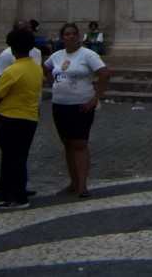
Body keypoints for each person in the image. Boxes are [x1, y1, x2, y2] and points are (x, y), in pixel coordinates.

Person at [43, 22, 109, 198]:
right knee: (67, 144)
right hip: (60, 105)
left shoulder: (88, 54)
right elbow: (46, 67)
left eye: (74, 34)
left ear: (78, 36)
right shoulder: (56, 56)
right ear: (62, 37)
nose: (71, 36)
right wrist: (53, 84)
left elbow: (104, 73)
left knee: (80, 143)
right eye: (67, 34)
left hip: (81, 105)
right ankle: (73, 182)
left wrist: (95, 98)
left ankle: (82, 185)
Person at [0, 26, 41, 209]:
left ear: (11, 47)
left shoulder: (12, 71)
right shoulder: (36, 68)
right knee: (17, 157)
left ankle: (18, 197)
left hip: (10, 118)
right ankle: (4, 193)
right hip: (30, 118)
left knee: (12, 158)